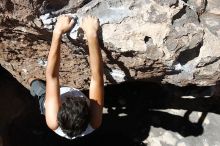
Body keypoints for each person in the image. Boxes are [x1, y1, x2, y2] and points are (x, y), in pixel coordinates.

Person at [29, 15, 104, 139]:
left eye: (67, 100)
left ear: (60, 111)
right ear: (88, 112)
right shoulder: (95, 121)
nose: (72, 95)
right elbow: (97, 77)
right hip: (60, 97)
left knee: (38, 86)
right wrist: (92, 34)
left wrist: (57, 32)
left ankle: (31, 82)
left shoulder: (53, 119)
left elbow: (52, 76)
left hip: (48, 101)